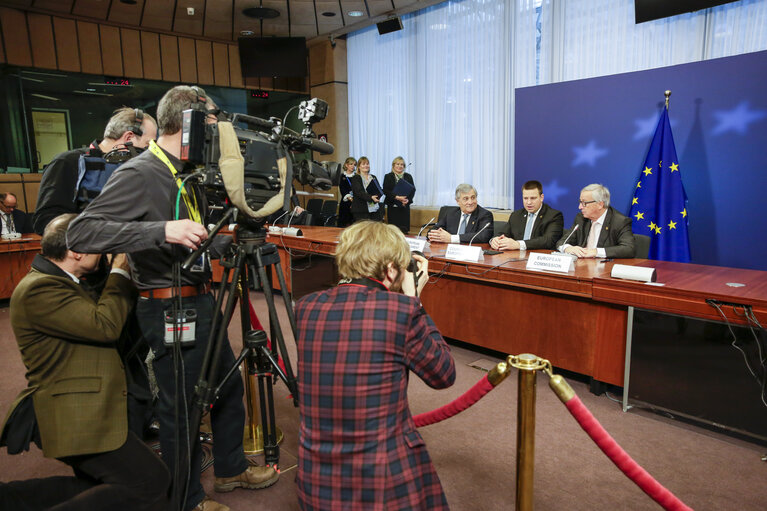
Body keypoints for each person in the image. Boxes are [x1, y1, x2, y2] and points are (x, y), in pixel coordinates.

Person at [66, 85, 278, 511]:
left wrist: (226, 241)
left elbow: (192, 241)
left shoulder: (184, 172)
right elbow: (82, 233)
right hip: (167, 305)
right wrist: (161, 230)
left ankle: (231, 468)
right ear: (191, 124)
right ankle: (187, 499)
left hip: (198, 299)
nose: (218, 134)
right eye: (213, 123)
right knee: (182, 407)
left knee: (227, 387)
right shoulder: (142, 171)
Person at [0, 213, 169, 510]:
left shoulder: (64, 280)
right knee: (150, 481)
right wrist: (119, 272)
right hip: (73, 414)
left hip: (89, 406)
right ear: (75, 252)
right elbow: (105, 325)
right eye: (98, 246)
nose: (103, 252)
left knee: (99, 488)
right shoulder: (39, 289)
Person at [294, 221, 456, 510]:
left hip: (315, 479)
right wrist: (414, 299)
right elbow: (443, 374)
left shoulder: (306, 307)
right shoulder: (401, 310)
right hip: (379, 482)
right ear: (392, 269)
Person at [33, 107, 157, 234]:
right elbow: (44, 220)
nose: (149, 151)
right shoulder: (68, 162)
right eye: (147, 145)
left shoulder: (134, 170)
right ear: (129, 137)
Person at [555, 183, 635, 258]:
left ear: (600, 204)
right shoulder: (581, 218)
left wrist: (596, 252)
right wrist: (568, 248)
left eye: (584, 203)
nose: (580, 207)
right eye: (580, 202)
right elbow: (562, 242)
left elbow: (629, 248)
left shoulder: (620, 221)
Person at [489, 180, 563, 251]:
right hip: (515, 258)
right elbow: (503, 234)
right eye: (525, 198)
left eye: (533, 198)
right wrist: (495, 240)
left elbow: (548, 241)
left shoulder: (554, 216)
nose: (529, 202)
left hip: (538, 259)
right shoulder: (516, 215)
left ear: (541, 198)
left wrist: (518, 244)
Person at [428, 183, 494, 244]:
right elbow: (432, 231)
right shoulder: (451, 214)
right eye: (466, 199)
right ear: (458, 201)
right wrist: (434, 235)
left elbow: (483, 236)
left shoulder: (485, 215)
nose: (470, 202)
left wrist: (451, 238)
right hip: (450, 251)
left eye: (473, 198)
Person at [383, 156, 416, 234]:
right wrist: (397, 197)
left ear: (404, 166)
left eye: (402, 164)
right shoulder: (388, 176)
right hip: (393, 207)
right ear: (393, 165)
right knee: (393, 232)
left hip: (404, 206)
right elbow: (385, 191)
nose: (400, 166)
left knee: (404, 231)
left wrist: (407, 200)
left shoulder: (408, 176)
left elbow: (413, 190)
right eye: (397, 164)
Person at [349, 156, 383, 222]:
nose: (366, 166)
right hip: (360, 210)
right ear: (359, 166)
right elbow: (359, 192)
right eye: (363, 164)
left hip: (374, 209)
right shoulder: (356, 178)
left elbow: (379, 189)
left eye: (367, 164)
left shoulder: (373, 177)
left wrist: (378, 196)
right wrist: (371, 197)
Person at [337, 157, 356, 228]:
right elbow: (343, 189)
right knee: (343, 224)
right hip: (345, 203)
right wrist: (350, 199)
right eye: (351, 164)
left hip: (356, 203)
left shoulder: (356, 176)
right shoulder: (342, 176)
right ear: (346, 165)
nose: (353, 166)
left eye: (354, 165)